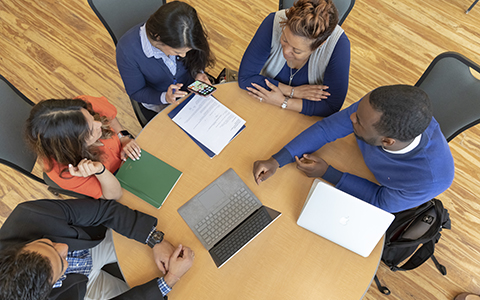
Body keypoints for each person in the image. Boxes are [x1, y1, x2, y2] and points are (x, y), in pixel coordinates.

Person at [253, 85, 455, 213]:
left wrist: (327, 173)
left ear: (387, 141)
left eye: (358, 121)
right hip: (353, 157)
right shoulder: (374, 110)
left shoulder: (431, 179)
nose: (350, 117)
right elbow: (327, 129)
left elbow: (380, 201)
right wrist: (277, 160)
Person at [0, 198, 194, 300]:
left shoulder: (28, 214)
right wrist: (169, 281)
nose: (63, 246)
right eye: (61, 261)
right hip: (83, 288)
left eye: (47, 243)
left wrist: (153, 239)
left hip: (93, 243)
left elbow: (104, 211)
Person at [238, 0, 350, 117]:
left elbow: (331, 107)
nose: (286, 51)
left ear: (319, 45)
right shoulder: (274, 22)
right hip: (261, 105)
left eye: (296, 50)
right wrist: (293, 92)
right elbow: (245, 78)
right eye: (285, 39)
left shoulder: (338, 45)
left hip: (299, 117)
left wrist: (283, 102)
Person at [25, 95, 141, 200]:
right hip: (111, 178)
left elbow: (110, 115)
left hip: (128, 154)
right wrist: (100, 170)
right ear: (75, 145)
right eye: (90, 130)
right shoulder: (64, 172)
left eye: (92, 117)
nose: (99, 124)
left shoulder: (80, 108)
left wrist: (122, 136)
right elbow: (115, 195)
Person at [116, 0, 215, 122]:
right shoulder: (127, 51)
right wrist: (165, 97)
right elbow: (136, 91)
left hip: (190, 91)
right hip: (159, 99)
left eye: (187, 51)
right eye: (177, 52)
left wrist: (198, 72)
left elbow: (198, 55)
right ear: (158, 37)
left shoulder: (187, 33)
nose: (184, 55)